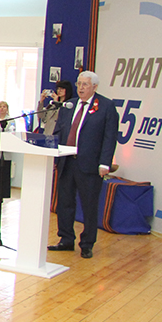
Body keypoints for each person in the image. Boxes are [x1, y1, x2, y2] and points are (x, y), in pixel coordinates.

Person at [48, 71, 119, 258]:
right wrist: (55, 156)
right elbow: (59, 132)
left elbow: (110, 137)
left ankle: (87, 243)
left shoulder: (106, 106)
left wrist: (105, 163)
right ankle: (65, 239)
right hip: (66, 162)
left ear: (94, 87)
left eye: (85, 84)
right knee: (64, 203)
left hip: (90, 165)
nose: (80, 88)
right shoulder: (69, 105)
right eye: (79, 84)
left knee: (89, 205)